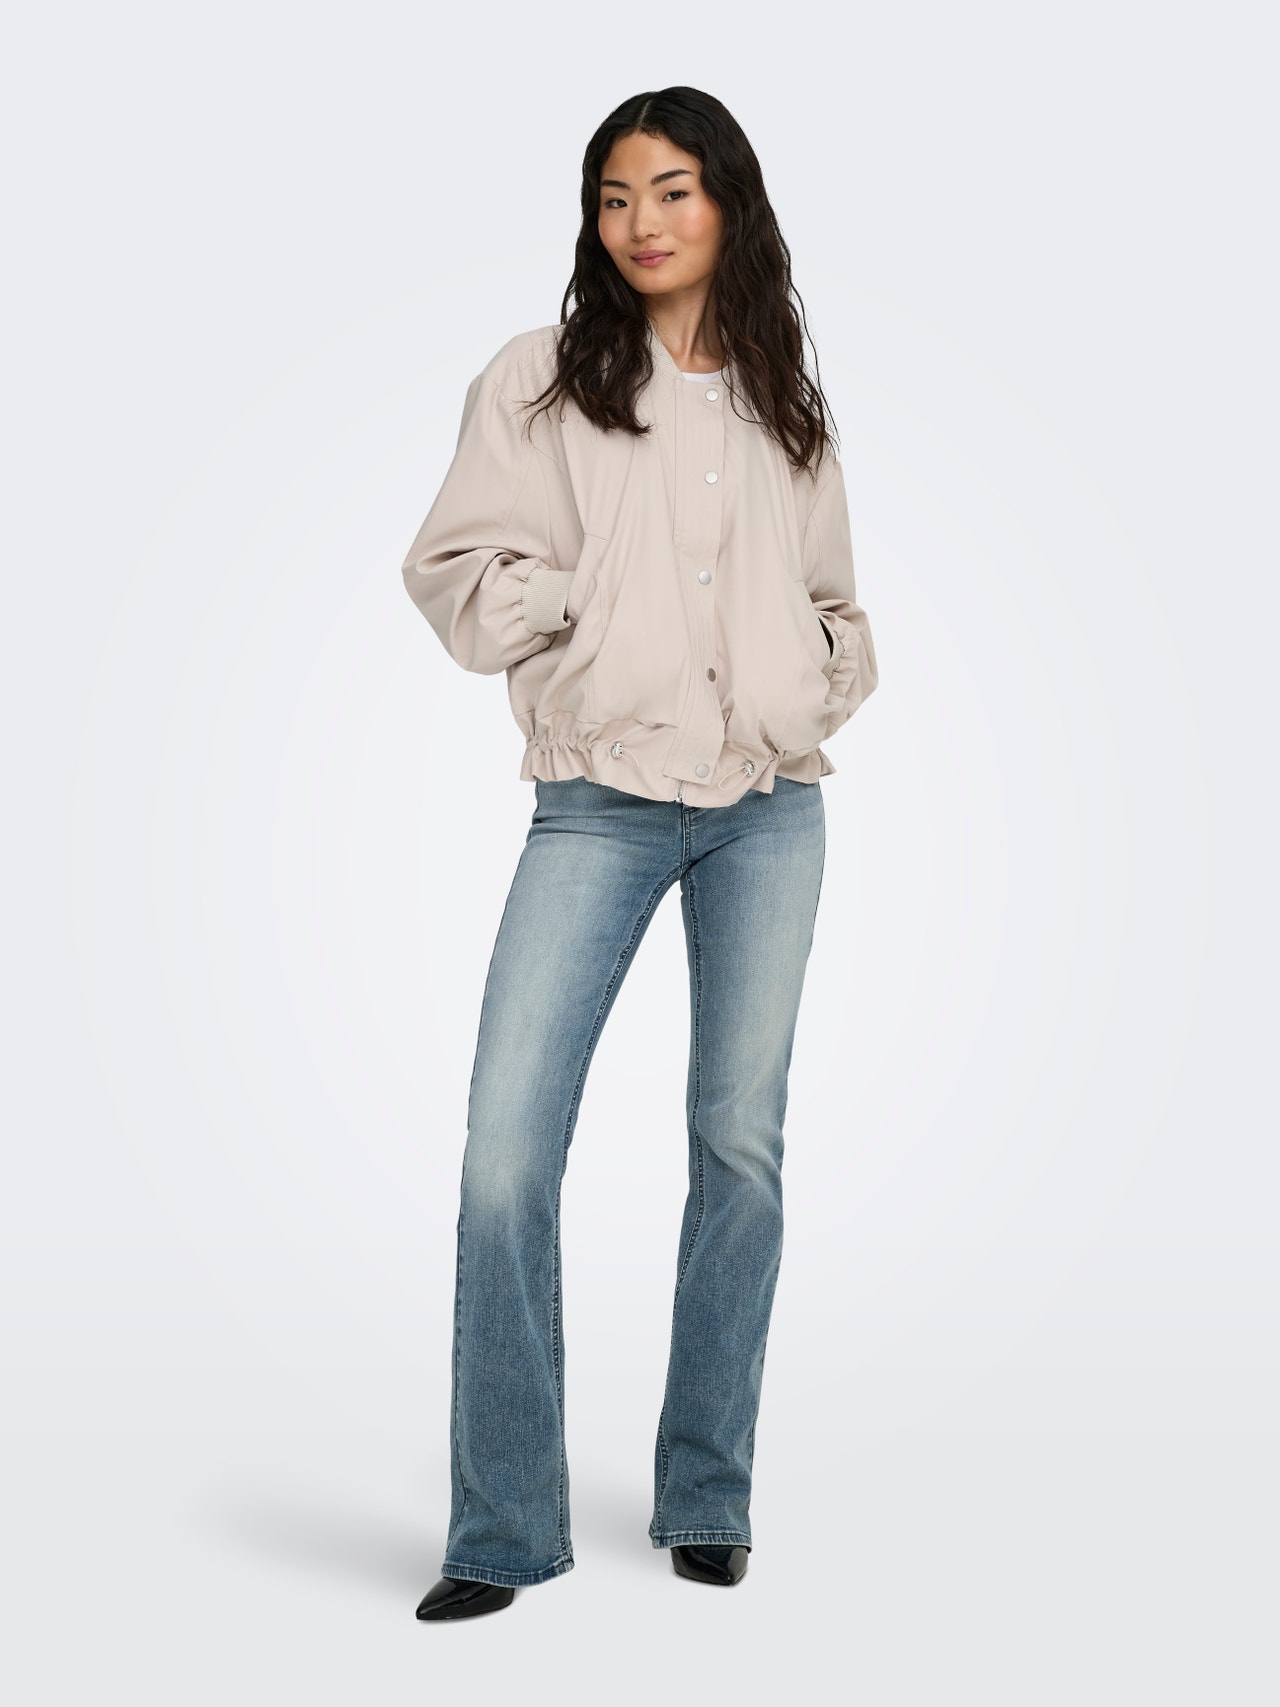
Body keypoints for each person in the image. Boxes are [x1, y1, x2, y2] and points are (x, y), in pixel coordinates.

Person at [400, 86, 878, 1620]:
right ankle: (501, 1530)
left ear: (729, 202)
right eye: (615, 197)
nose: (642, 223)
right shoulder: (538, 380)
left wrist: (813, 679)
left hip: (770, 809)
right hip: (597, 801)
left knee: (739, 1149)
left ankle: (706, 1494)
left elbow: (839, 603)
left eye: (672, 190)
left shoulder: (787, 396)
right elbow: (455, 571)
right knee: (504, 1156)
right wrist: (580, 602)